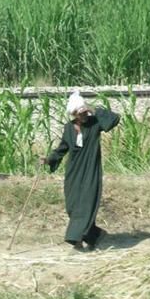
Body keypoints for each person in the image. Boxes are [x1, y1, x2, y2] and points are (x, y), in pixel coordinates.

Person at [40, 90, 120, 251]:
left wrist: (92, 108)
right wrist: (49, 159)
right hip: (74, 172)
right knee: (73, 206)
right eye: (80, 113)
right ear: (74, 114)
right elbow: (62, 149)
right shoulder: (68, 128)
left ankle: (75, 241)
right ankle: (95, 235)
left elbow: (114, 119)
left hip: (90, 169)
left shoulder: (95, 123)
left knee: (86, 204)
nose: (83, 116)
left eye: (85, 112)